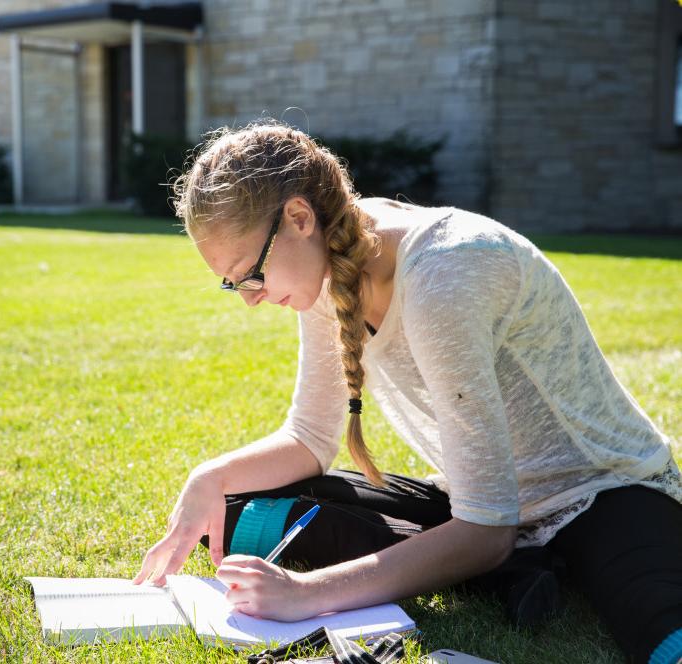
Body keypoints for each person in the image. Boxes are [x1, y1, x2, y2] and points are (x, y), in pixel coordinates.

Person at [131, 121, 682, 664]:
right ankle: (520, 573)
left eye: (248, 274)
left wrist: (307, 595)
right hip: (475, 499)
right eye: (233, 284)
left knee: (659, 628)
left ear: (299, 218)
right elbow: (308, 438)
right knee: (229, 515)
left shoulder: (445, 272)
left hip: (600, 493)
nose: (249, 298)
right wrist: (208, 478)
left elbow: (488, 527)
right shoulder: (326, 263)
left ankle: (514, 568)